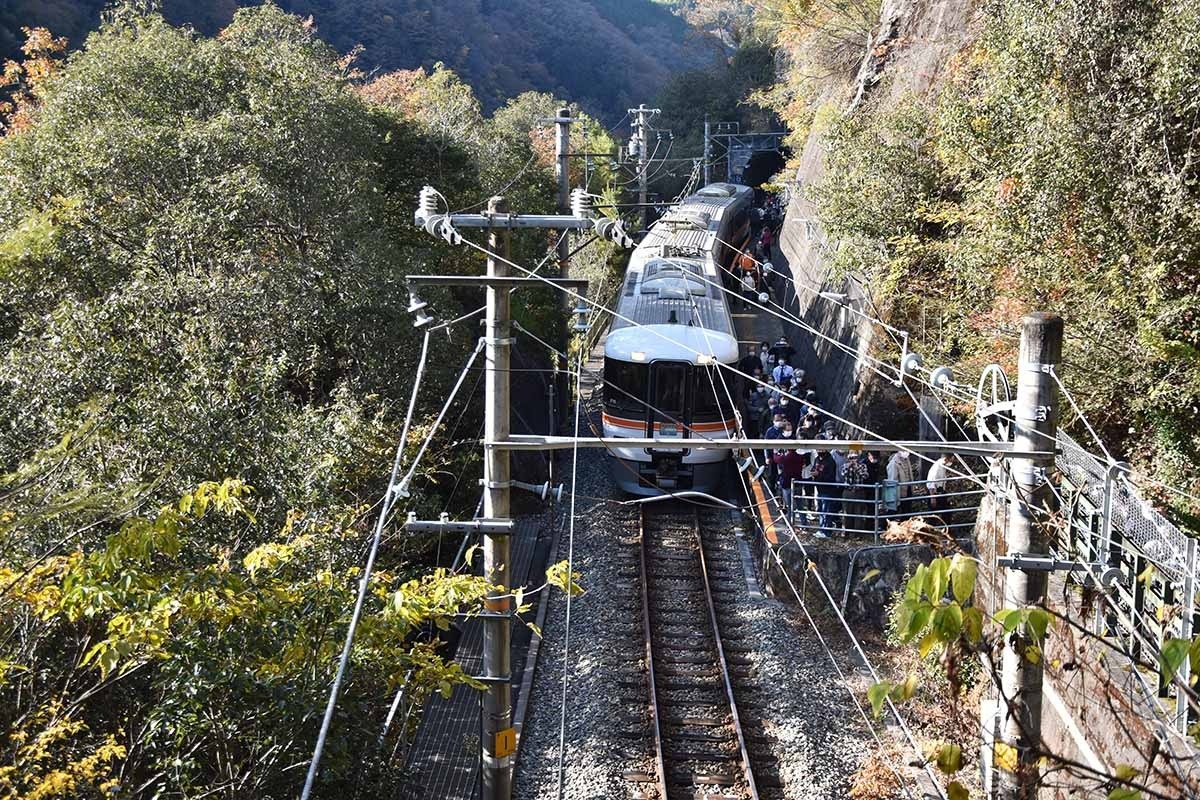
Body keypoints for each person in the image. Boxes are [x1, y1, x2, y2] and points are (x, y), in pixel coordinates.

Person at [811, 448, 838, 538]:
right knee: (820, 510)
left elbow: (830, 477)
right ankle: (822, 529)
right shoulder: (817, 459)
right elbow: (814, 468)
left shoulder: (830, 461)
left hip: (828, 490)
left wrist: (818, 474)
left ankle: (827, 532)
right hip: (819, 489)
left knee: (826, 511)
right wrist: (813, 473)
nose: (819, 451)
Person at [841, 452, 872, 534]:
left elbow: (865, 476)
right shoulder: (845, 466)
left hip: (859, 492)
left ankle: (858, 533)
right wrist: (849, 467)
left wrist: (856, 468)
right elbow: (843, 475)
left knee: (858, 513)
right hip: (848, 491)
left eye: (854, 458)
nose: (853, 460)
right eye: (851, 458)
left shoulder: (862, 466)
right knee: (846, 512)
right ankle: (846, 532)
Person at [886, 449, 915, 517]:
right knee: (893, 511)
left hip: (908, 488)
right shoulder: (894, 463)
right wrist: (894, 494)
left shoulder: (906, 460)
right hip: (899, 491)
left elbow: (909, 473)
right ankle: (885, 524)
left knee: (907, 510)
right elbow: (892, 479)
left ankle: (905, 524)